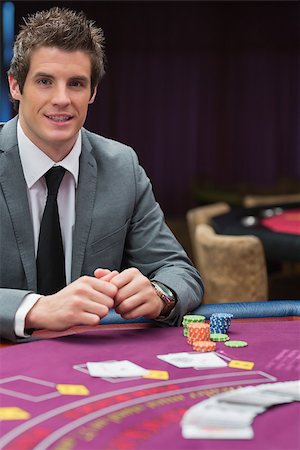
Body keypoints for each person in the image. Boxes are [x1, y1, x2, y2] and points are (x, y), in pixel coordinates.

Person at [0, 7, 203, 342]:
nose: (62, 99)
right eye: (45, 81)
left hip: (91, 362)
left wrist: (159, 294)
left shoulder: (122, 166)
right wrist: (35, 309)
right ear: (15, 86)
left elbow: (181, 273)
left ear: (92, 92)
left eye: (76, 84)